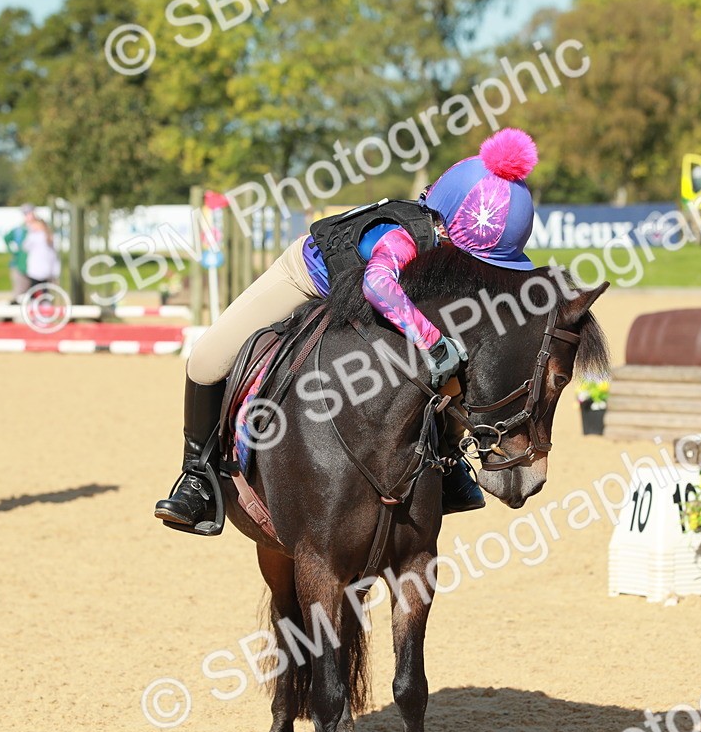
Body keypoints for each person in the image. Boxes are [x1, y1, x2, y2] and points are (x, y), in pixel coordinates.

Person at [154, 127, 541, 536]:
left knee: (454, 368)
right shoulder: (402, 237)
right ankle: (197, 478)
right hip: (309, 279)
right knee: (206, 360)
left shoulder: (452, 242)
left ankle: (447, 460)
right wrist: (432, 340)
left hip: (364, 299)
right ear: (445, 229)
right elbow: (377, 285)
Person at [4, 204, 35, 301]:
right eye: (26, 214)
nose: (29, 216)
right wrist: (13, 251)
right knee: (19, 295)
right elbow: (7, 239)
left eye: (30, 213)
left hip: (36, 267)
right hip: (19, 266)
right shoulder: (19, 230)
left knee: (35, 294)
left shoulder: (38, 228)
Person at [22, 212, 60, 289]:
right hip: (46, 269)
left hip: (36, 269)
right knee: (44, 290)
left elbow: (25, 246)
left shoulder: (35, 236)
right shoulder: (49, 236)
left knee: (35, 289)